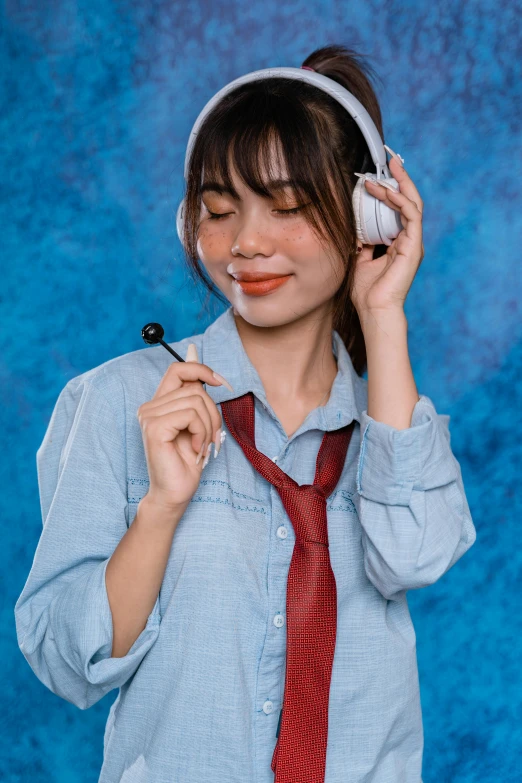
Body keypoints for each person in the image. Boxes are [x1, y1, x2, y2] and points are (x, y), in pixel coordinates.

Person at [14, 44, 476, 783]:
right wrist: (162, 508)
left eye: (288, 208)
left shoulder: (393, 425)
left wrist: (382, 314)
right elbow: (68, 660)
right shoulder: (116, 401)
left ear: (369, 217)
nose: (246, 244)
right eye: (220, 210)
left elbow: (414, 556)